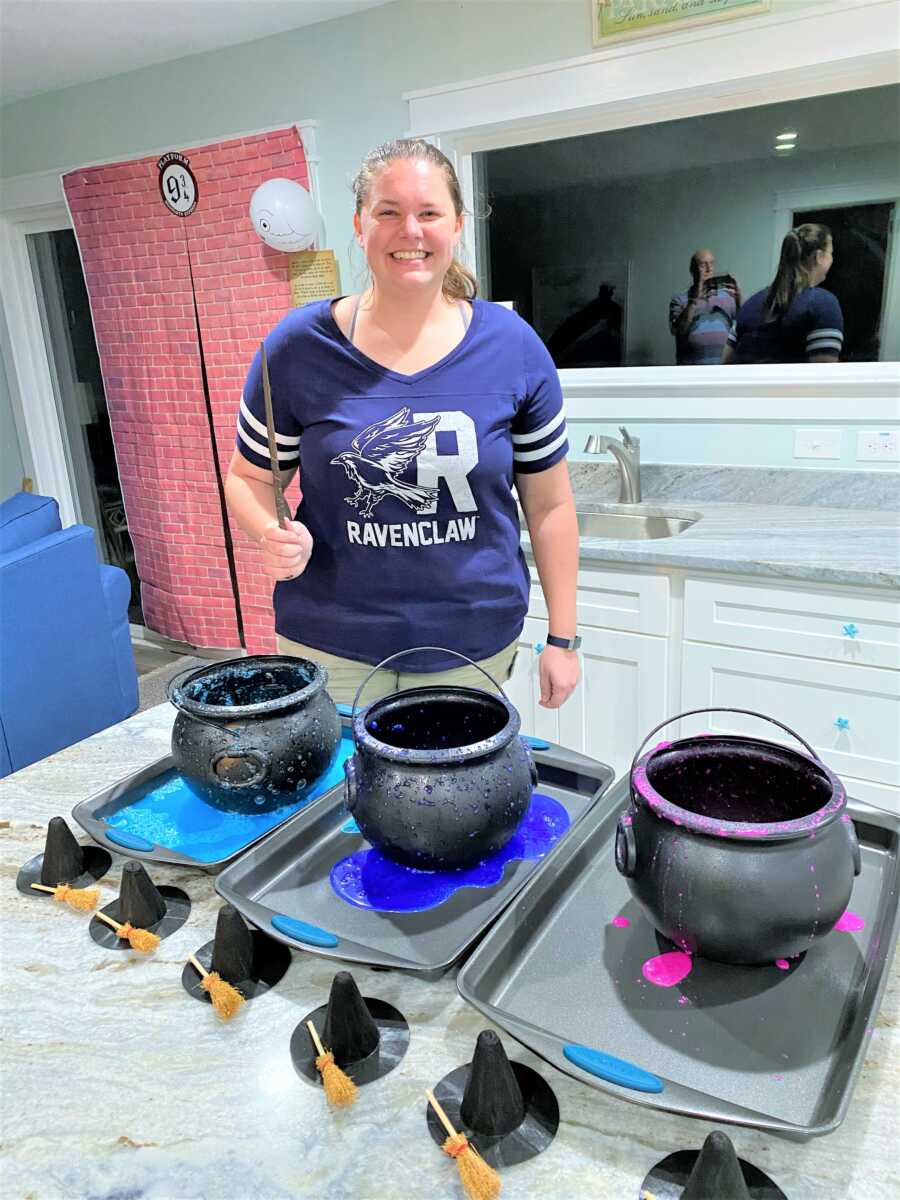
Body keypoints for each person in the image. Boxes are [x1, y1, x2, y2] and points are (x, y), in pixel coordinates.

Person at [224, 138, 580, 710]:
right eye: (388, 212)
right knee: (339, 795)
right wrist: (269, 533)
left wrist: (563, 639)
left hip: (471, 648)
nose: (409, 231)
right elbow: (246, 478)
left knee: (452, 797)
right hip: (330, 644)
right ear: (360, 227)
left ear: (457, 225)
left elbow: (551, 507)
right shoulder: (295, 349)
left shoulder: (513, 348)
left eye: (429, 213)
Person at [724, 224, 842, 364]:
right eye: (831, 254)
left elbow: (725, 363)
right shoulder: (823, 304)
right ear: (819, 257)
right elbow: (823, 376)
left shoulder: (750, 304)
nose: (832, 260)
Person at [669, 249, 741, 365]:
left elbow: (743, 327)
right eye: (703, 264)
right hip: (691, 372)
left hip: (722, 371)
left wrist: (739, 297)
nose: (709, 268)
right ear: (692, 270)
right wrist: (693, 301)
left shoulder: (728, 297)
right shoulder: (679, 300)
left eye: (712, 263)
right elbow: (678, 330)